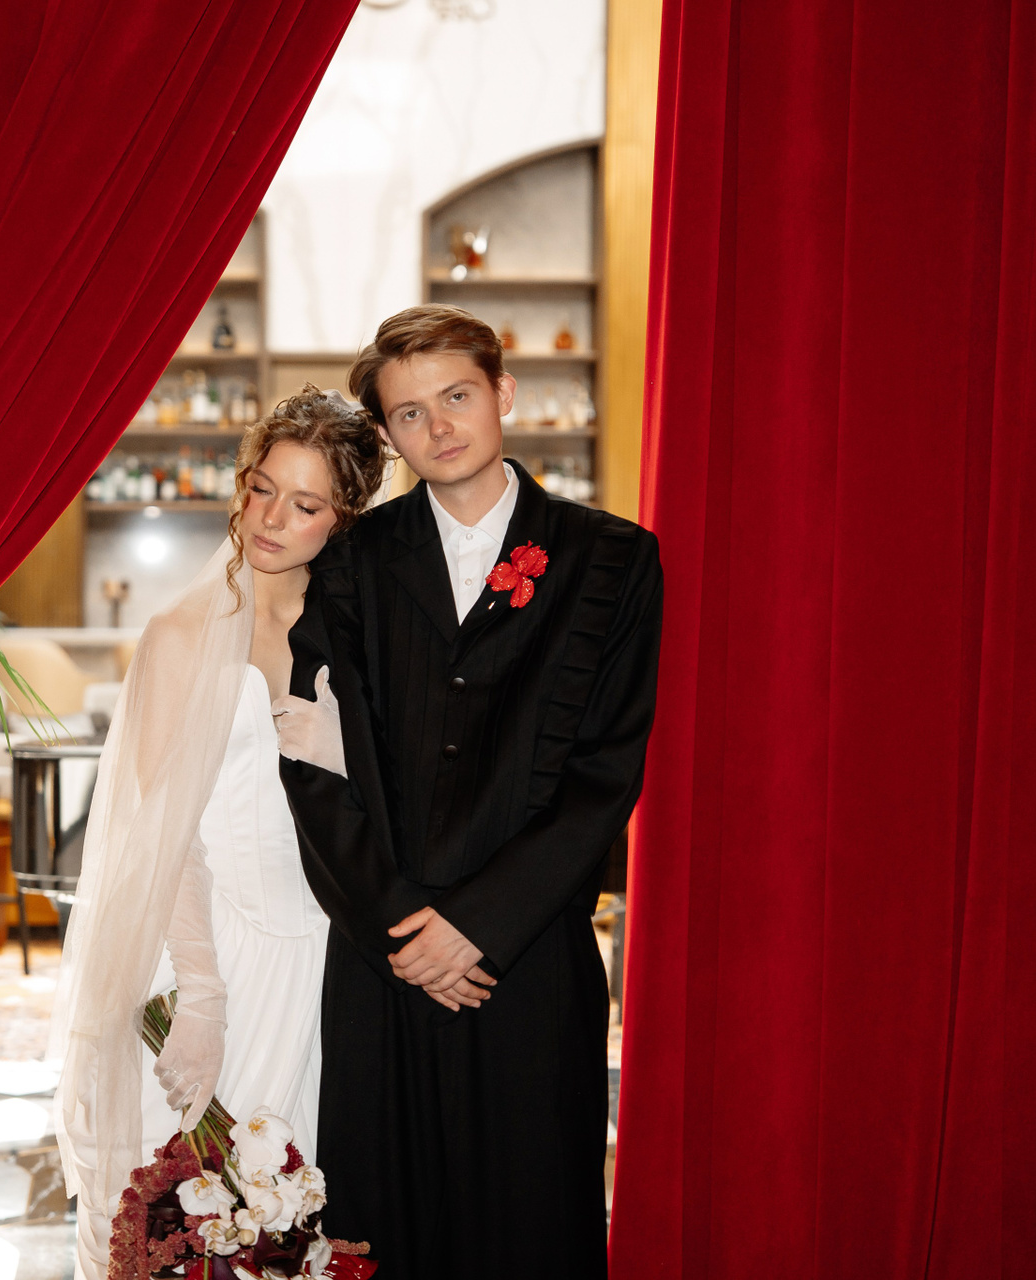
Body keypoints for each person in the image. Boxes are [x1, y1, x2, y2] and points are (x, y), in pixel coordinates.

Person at [273, 305, 663, 1277]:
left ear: (504, 393)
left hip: (527, 960)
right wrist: (405, 928)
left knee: (530, 1228)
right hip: (383, 957)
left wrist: (478, 925)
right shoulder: (349, 561)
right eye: (409, 413)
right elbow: (312, 761)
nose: (438, 426)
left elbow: (604, 772)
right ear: (388, 434)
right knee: (379, 1236)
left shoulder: (613, 559)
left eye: (456, 396)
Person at [51, 387, 389, 1280]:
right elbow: (168, 837)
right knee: (182, 1224)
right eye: (262, 488)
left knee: (291, 1225)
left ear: (343, 517)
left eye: (305, 504)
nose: (271, 519)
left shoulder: (357, 633)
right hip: (211, 950)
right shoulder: (181, 635)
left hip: (324, 961)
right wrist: (201, 997)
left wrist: (352, 758)